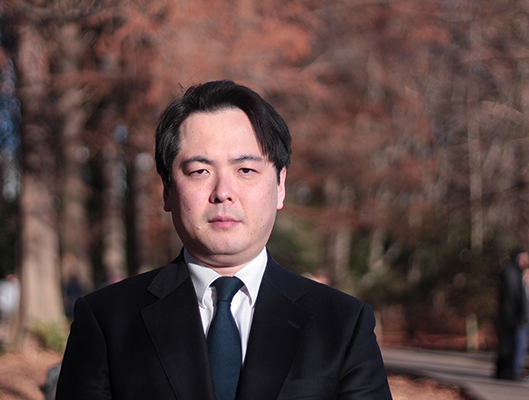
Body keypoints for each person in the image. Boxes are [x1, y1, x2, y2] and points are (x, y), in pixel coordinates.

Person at [55, 80, 392, 399]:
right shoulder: (106, 321)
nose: (223, 192)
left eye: (245, 170)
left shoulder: (342, 324)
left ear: (280, 185)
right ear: (167, 189)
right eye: (199, 171)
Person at [495, 251, 529, 380]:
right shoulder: (513, 273)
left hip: (512, 316)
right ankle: (514, 371)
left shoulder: (512, 272)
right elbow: (517, 297)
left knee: (508, 343)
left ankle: (505, 371)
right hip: (515, 317)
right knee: (516, 343)